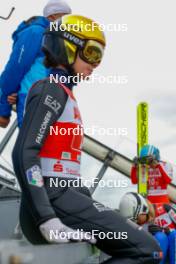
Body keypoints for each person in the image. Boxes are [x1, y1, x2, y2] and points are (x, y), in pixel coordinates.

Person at [12, 14, 162, 264]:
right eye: (92, 53)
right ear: (67, 46)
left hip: (66, 195)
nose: (96, 63)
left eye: (100, 56)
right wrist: (46, 217)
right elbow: (24, 152)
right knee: (148, 250)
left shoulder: (64, 93)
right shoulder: (51, 89)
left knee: (144, 247)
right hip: (53, 198)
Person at [0, 0, 71, 128]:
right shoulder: (36, 32)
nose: (68, 23)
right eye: (65, 17)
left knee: (42, 145)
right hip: (33, 97)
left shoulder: (58, 40)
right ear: (52, 16)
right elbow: (16, 67)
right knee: (31, 143)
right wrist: (3, 109)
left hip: (50, 100)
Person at [119, 192, 176, 264]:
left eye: (136, 219)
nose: (136, 223)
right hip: (157, 257)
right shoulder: (138, 226)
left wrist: (168, 231)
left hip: (173, 252)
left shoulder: (165, 208)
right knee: (160, 237)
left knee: (173, 235)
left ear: (143, 209)